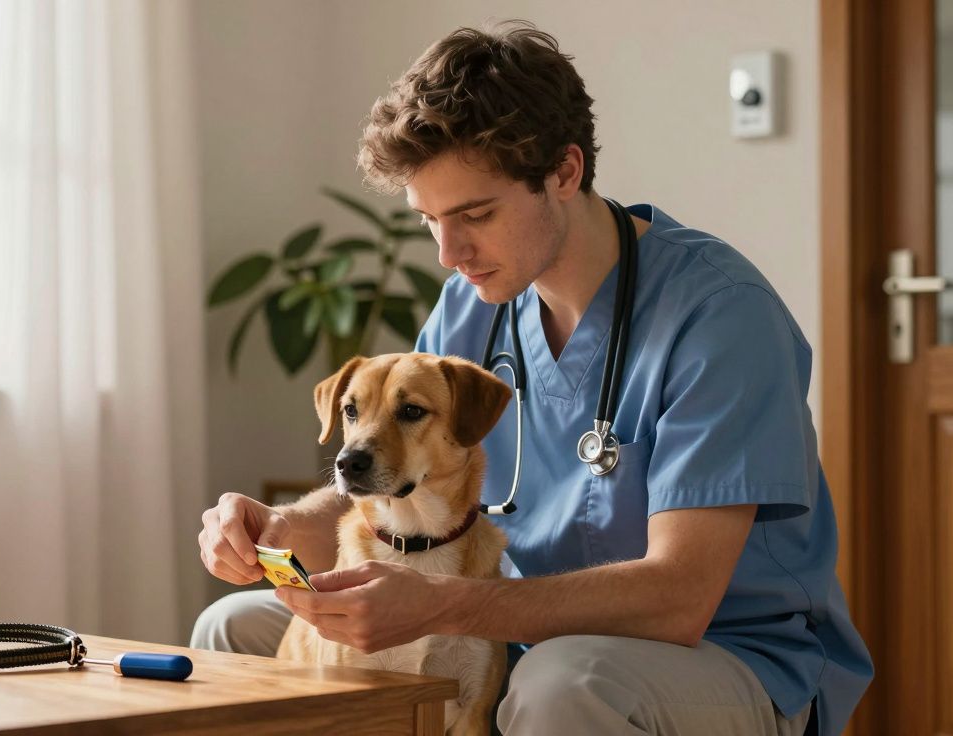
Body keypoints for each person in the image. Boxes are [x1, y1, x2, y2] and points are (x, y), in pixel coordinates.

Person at [192, 20, 872, 736]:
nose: (450, 253)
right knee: (234, 631)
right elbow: (403, 476)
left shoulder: (721, 317)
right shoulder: (473, 302)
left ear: (565, 172)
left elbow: (679, 598)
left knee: (560, 685)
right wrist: (277, 530)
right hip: (513, 627)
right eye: (429, 220)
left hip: (721, 654)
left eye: (475, 214)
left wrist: (442, 605)